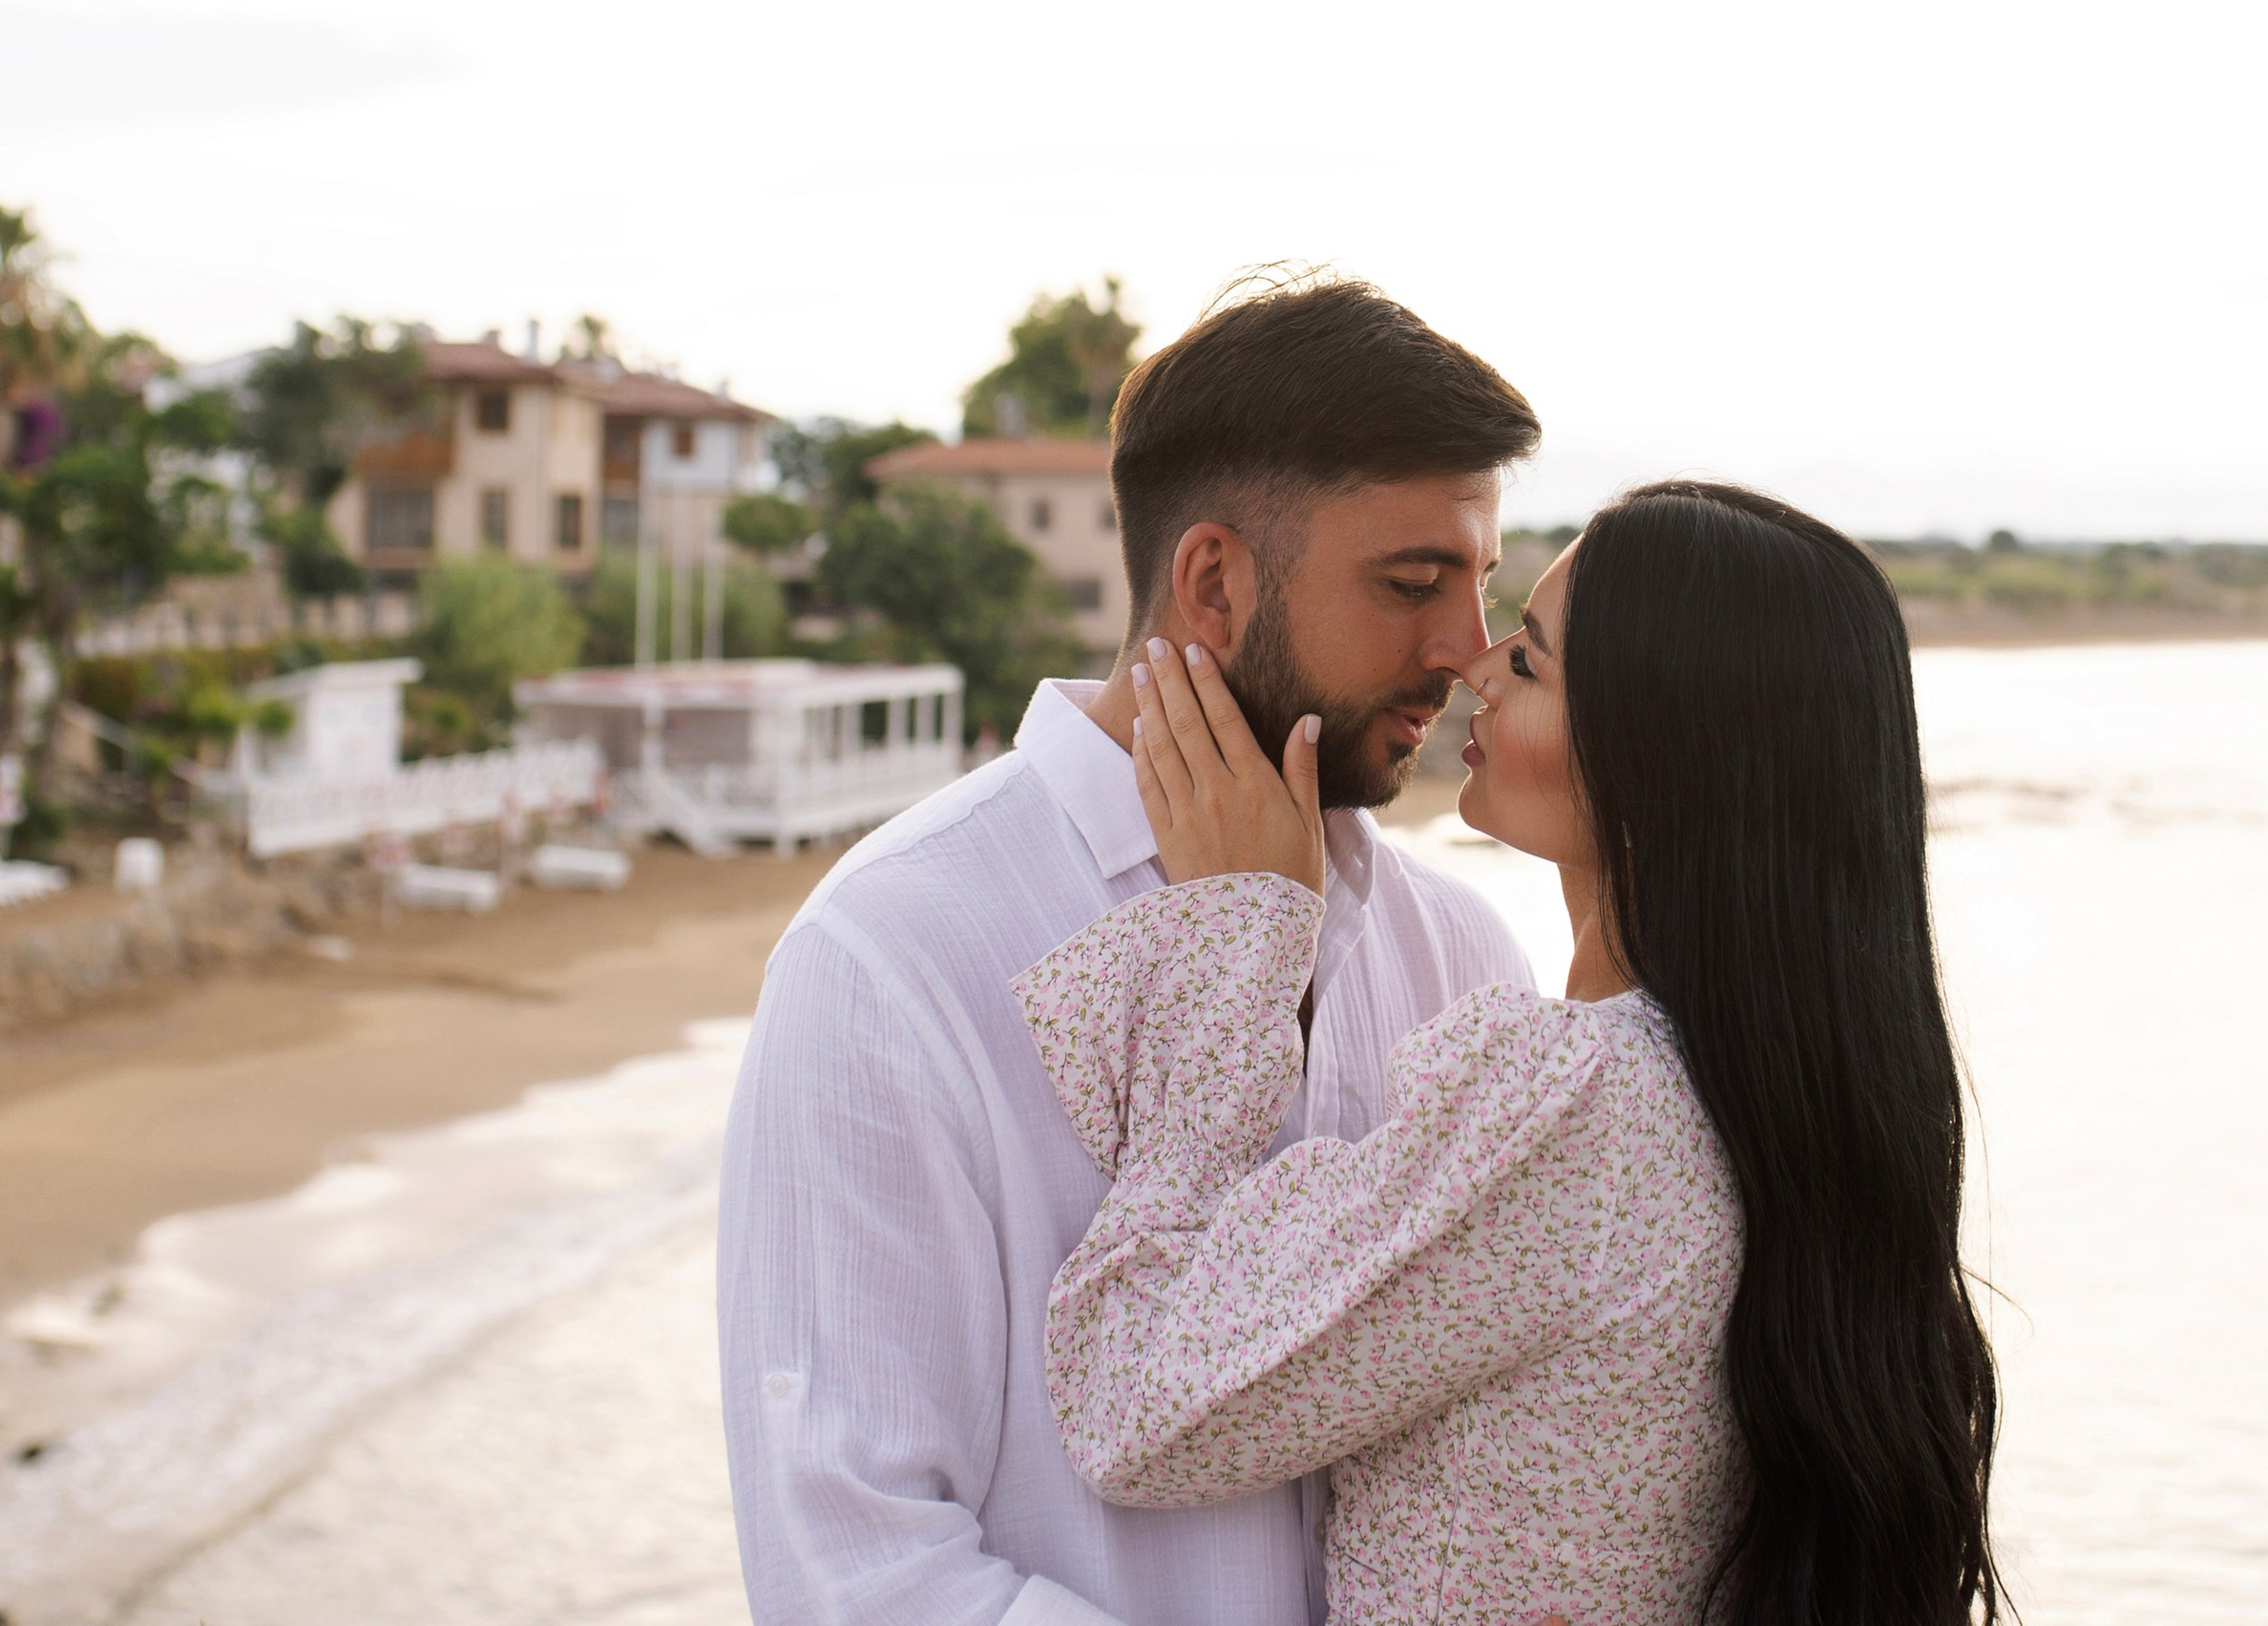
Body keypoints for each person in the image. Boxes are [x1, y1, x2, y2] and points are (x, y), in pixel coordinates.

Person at [1016, 482, 2006, 1626]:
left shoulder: (1584, 1106)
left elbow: (1136, 1405)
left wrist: (1238, 942)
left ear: (1657, 754)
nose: (1476, 667)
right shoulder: (1784, 1098)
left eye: (1528, 659)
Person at [718, 276, 1544, 1624]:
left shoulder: (1461, 955)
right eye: (1412, 583)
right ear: (1213, 581)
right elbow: (854, 1569)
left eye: (1481, 583)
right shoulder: (893, 954)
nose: (1464, 649)